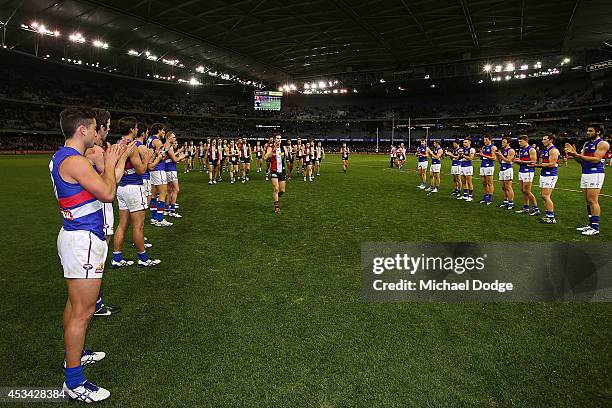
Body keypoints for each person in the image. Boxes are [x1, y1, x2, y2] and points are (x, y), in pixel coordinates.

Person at [51, 106, 133, 402]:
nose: (98, 132)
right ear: (82, 129)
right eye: (94, 127)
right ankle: (74, 382)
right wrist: (111, 164)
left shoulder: (63, 157)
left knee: (75, 306)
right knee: (83, 313)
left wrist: (114, 160)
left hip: (78, 236)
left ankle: (74, 355)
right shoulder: (74, 160)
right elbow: (108, 193)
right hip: (83, 239)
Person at [84, 109, 120, 317]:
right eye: (107, 126)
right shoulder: (96, 151)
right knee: (99, 254)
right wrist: (119, 160)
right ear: (101, 127)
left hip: (89, 208)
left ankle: (94, 302)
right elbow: (112, 180)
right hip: (99, 207)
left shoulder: (89, 150)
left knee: (98, 255)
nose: (108, 130)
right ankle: (95, 304)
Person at [112, 117, 161, 268]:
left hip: (121, 188)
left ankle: (117, 258)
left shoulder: (117, 144)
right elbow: (141, 169)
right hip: (134, 187)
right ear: (133, 129)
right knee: (138, 226)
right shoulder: (131, 146)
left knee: (122, 225)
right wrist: (146, 159)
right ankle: (143, 259)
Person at [566, 123, 610, 236]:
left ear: (598, 132)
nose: (587, 132)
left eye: (590, 131)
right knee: (587, 200)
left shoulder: (603, 143)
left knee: (592, 200)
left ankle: (595, 227)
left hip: (595, 173)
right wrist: (574, 155)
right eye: (587, 130)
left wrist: (578, 155)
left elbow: (596, 159)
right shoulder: (586, 144)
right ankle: (591, 224)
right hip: (585, 173)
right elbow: (581, 161)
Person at [146, 123, 173, 227]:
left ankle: (153, 218)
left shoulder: (150, 139)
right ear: (158, 130)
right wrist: (166, 146)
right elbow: (162, 155)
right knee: (163, 193)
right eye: (163, 131)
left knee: (153, 194)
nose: (164, 132)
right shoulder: (157, 141)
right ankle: (160, 219)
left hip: (152, 170)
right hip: (159, 169)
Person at [531, 134, 560, 224]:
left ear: (550, 140)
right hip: (544, 174)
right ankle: (548, 215)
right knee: (544, 196)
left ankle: (551, 217)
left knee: (546, 196)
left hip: (550, 175)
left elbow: (552, 164)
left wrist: (537, 165)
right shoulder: (546, 150)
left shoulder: (553, 150)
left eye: (545, 139)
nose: (542, 141)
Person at [513, 135, 539, 215]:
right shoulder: (522, 150)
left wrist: (521, 161)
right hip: (521, 171)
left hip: (528, 171)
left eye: (521, 141)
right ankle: (526, 208)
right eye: (519, 141)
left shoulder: (531, 149)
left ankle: (536, 208)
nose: (519, 143)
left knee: (527, 191)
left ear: (526, 141)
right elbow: (523, 161)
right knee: (522, 190)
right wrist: (517, 161)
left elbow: (533, 162)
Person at [264, 134, 287, 214]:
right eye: (277, 138)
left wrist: (288, 153)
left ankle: (276, 196)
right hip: (274, 170)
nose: (279, 140)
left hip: (282, 171)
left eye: (280, 138)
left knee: (282, 190)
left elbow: (287, 156)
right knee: (276, 189)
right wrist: (273, 150)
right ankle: (276, 207)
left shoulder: (283, 148)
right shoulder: (270, 148)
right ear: (274, 139)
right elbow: (266, 157)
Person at [495, 136, 515, 210]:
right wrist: (498, 156)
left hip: (508, 169)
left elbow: (509, 161)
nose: (502, 143)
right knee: (503, 187)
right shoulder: (503, 150)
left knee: (508, 187)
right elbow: (501, 162)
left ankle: (511, 203)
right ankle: (505, 201)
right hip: (502, 169)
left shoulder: (511, 150)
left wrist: (500, 155)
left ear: (508, 143)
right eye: (502, 142)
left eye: (504, 142)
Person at [477, 135, 497, 205]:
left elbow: (494, 158)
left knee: (490, 183)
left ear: (490, 140)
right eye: (484, 140)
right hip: (483, 166)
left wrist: (483, 155)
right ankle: (485, 197)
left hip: (489, 166)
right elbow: (482, 157)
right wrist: (480, 155)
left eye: (486, 140)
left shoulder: (493, 147)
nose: (484, 141)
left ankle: (490, 198)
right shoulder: (484, 147)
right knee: (484, 183)